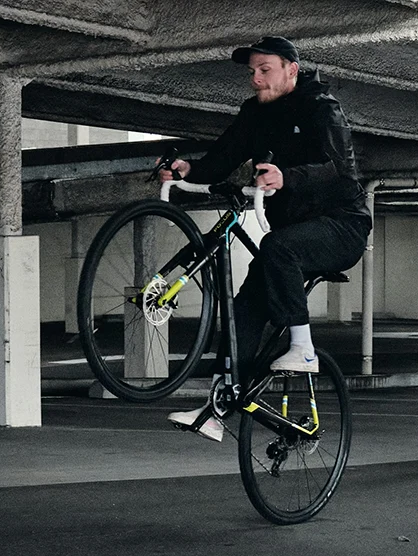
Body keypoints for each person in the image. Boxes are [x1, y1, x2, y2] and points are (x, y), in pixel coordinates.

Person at [161, 36, 372, 441]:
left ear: (291, 69)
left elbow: (339, 167)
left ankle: (304, 349)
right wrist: (188, 169)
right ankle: (217, 409)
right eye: (252, 72)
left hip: (342, 225)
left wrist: (286, 177)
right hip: (291, 236)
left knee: (278, 247)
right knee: (242, 312)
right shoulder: (253, 114)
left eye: (265, 70)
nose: (257, 79)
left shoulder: (320, 107)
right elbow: (224, 158)